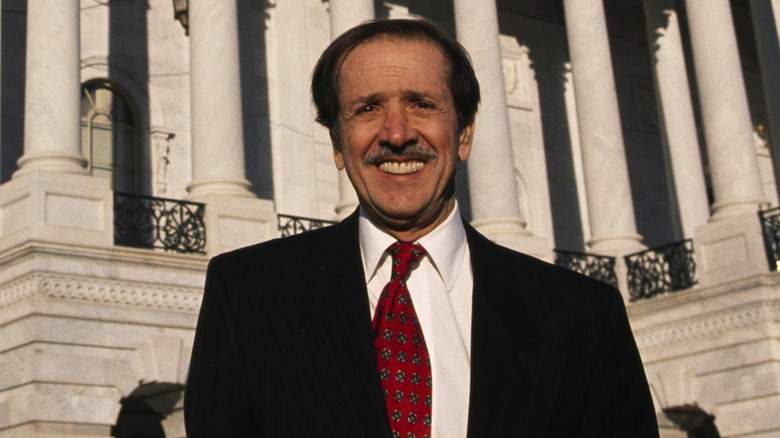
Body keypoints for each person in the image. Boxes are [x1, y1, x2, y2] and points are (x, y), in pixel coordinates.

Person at [184, 18, 659, 437]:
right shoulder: (248, 297)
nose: (397, 133)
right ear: (337, 144)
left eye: (422, 104)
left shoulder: (581, 319)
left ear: (465, 133)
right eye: (367, 108)